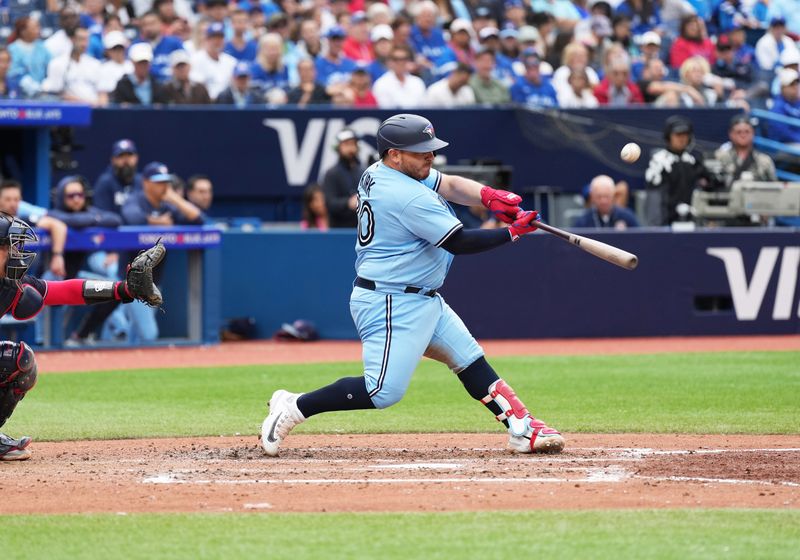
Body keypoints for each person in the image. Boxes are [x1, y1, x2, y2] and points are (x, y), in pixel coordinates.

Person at [259, 113, 565, 458]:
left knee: (470, 360)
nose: (429, 157)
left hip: (420, 297)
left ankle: (521, 428)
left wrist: (489, 195)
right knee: (382, 392)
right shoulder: (404, 195)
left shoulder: (381, 171)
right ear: (395, 154)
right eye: (421, 151)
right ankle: (293, 406)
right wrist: (510, 232)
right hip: (391, 300)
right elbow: (459, 242)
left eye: (430, 150)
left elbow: (447, 184)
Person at [0, 212, 164, 460]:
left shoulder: (7, 286)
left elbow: (63, 291)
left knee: (18, 361)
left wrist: (123, 289)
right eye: (7, 247)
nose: (15, 254)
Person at [645, 115, 712, 225]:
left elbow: (710, 184)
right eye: (677, 134)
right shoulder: (659, 162)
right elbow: (654, 199)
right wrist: (657, 228)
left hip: (693, 221)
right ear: (668, 136)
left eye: (685, 135)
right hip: (667, 223)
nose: (682, 138)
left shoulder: (692, 161)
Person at [0, 180, 67, 278]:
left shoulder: (23, 220)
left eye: (16, 199)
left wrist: (57, 256)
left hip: (26, 279)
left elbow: (58, 226)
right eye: (8, 199)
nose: (13, 203)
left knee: (55, 276)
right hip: (4, 278)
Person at [122, 162, 205, 227]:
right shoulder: (135, 198)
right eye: (159, 182)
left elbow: (198, 219)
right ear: (145, 182)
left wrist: (176, 199)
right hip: (137, 248)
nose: (164, 186)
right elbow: (132, 219)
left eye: (166, 182)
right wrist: (158, 222)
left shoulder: (167, 204)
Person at [41, 27, 106, 106]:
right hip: (70, 110)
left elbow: (103, 93)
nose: (84, 44)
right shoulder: (57, 63)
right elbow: (57, 94)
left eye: (86, 40)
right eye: (81, 39)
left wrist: (100, 104)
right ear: (72, 40)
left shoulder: (95, 64)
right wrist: (87, 103)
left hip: (95, 110)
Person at [714, 115, 777, 187]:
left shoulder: (764, 160)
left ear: (753, 133)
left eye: (747, 132)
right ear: (731, 134)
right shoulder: (720, 157)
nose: (743, 135)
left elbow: (774, 187)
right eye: (739, 132)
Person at [321, 129, 364, 228]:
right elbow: (329, 203)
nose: (350, 148)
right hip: (339, 230)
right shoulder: (331, 174)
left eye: (353, 144)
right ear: (338, 148)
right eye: (346, 144)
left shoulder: (363, 171)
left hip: (361, 230)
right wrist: (348, 203)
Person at [93, 139, 143, 216]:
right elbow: (102, 215)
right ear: (113, 160)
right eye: (121, 156)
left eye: (129, 155)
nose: (126, 161)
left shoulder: (142, 182)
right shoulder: (105, 183)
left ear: (136, 158)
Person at [190, 22, 238, 101]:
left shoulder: (231, 61)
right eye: (214, 38)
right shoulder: (195, 59)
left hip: (226, 104)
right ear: (206, 39)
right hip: (204, 104)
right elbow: (196, 87)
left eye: (220, 38)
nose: (217, 41)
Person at [573, 175, 640, 229]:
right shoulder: (583, 221)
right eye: (599, 196)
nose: (603, 201)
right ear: (592, 197)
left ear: (613, 196)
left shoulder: (627, 217)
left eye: (606, 196)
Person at [7, 16, 51, 98]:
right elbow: (13, 72)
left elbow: (50, 66)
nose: (38, 30)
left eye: (38, 27)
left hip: (42, 90)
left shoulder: (42, 47)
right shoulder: (12, 49)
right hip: (19, 92)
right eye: (35, 28)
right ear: (23, 31)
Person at [769, 68, 800, 144]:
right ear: (782, 88)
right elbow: (784, 134)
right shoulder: (777, 107)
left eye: (796, 83)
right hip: (784, 146)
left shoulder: (797, 102)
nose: (795, 87)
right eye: (791, 85)